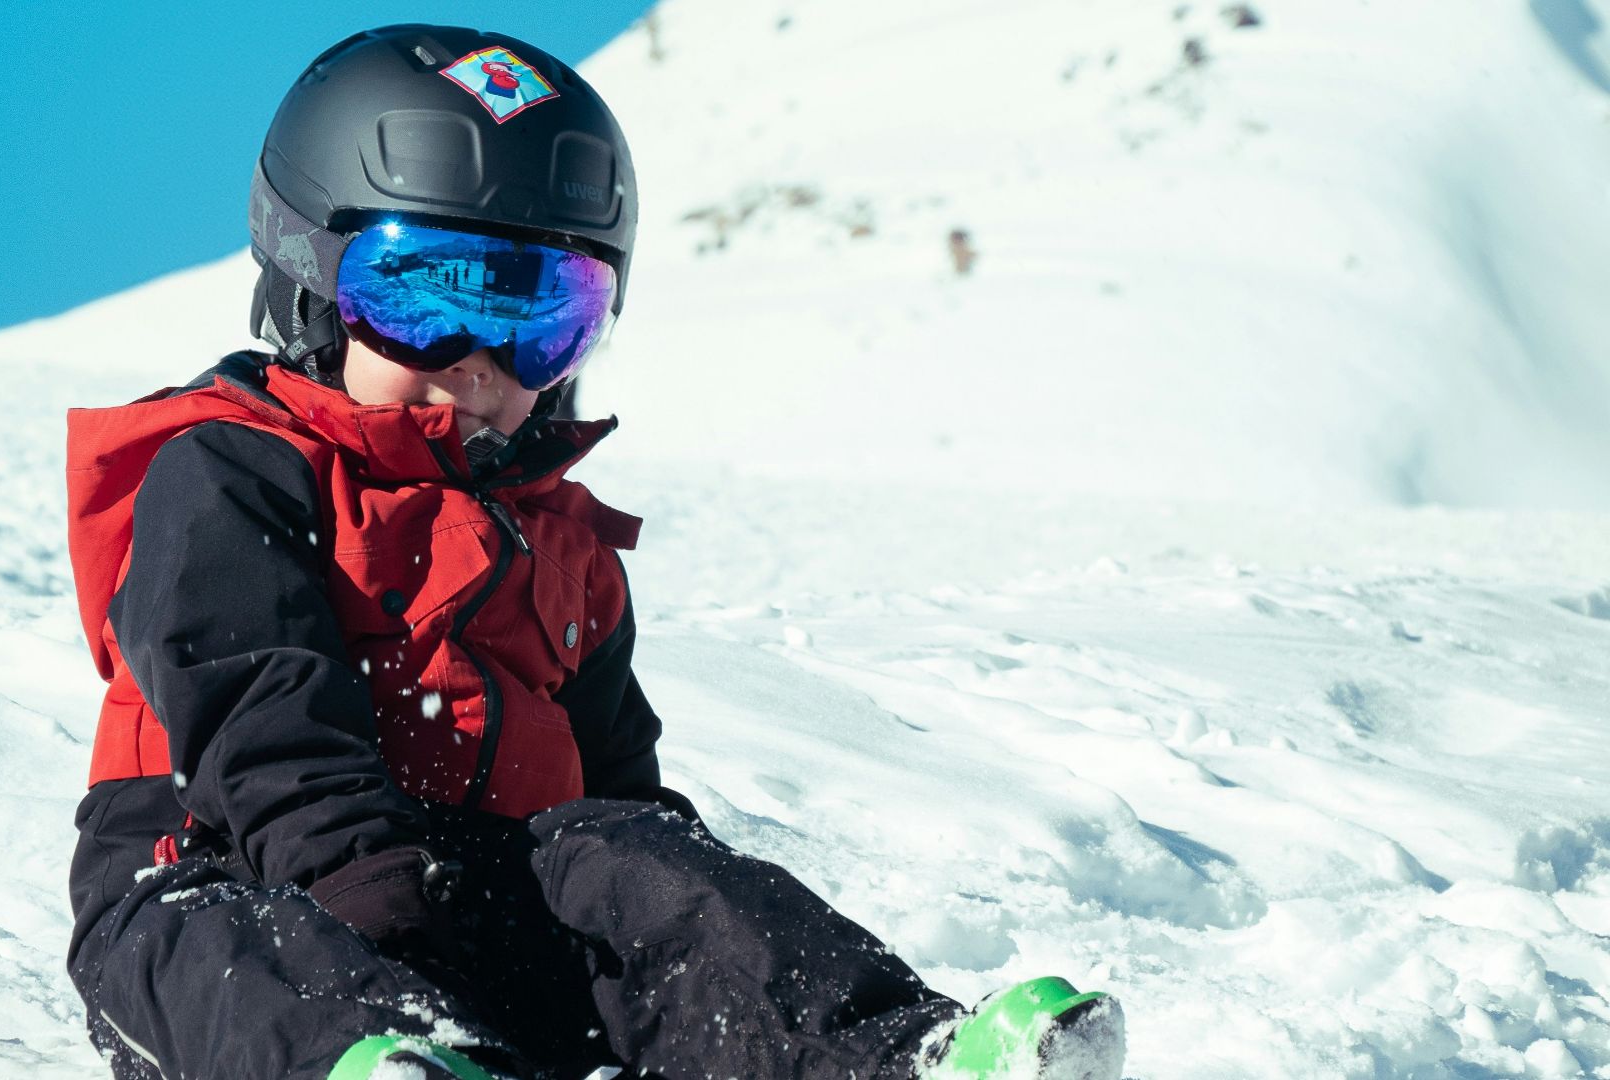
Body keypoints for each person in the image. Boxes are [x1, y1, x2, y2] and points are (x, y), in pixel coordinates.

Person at [60, 24, 1125, 1080]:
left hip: (478, 914)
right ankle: (387, 1069)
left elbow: (620, 794)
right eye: (422, 299)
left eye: (542, 321)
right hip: (227, 876)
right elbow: (257, 713)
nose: (480, 367)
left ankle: (894, 1057)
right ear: (310, 279)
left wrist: (661, 927)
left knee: (638, 860)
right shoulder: (233, 471)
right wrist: (369, 890)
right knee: (225, 943)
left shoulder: (564, 547)